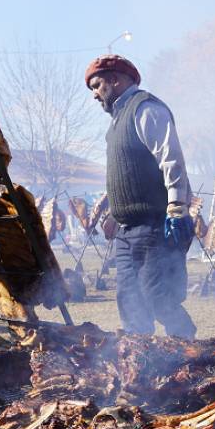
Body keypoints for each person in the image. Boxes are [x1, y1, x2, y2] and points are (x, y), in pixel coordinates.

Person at [85, 54, 197, 339]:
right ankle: (141, 359)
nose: (95, 95)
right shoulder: (115, 124)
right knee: (129, 298)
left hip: (153, 223)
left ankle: (190, 348)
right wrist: (113, 213)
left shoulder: (145, 108)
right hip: (125, 230)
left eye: (97, 86)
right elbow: (126, 174)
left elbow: (171, 159)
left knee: (156, 294)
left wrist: (176, 206)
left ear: (115, 79)